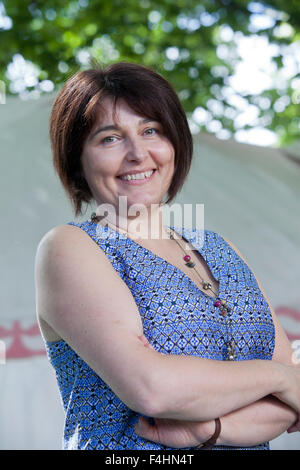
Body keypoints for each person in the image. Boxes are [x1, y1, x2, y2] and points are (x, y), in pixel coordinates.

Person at [35, 61, 300, 450]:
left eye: (151, 130)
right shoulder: (71, 248)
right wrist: (277, 379)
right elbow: (152, 389)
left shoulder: (220, 248)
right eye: (110, 138)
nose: (137, 153)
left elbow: (293, 401)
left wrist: (205, 429)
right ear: (78, 159)